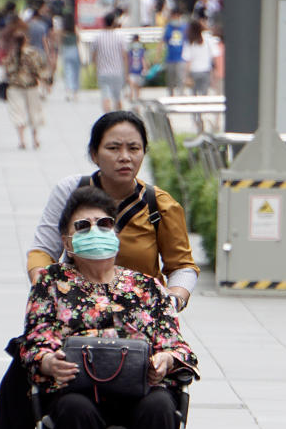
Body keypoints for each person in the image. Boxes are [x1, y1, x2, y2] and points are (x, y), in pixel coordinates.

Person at [20, 185, 198, 429]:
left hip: (138, 391)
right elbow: (33, 342)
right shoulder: (51, 285)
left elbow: (176, 344)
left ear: (116, 234)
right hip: (78, 392)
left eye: (104, 224)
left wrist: (164, 360)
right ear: (67, 242)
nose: (95, 231)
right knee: (72, 409)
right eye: (83, 226)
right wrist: (48, 361)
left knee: (161, 407)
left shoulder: (147, 287)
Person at [26, 111, 198, 311]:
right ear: (94, 154)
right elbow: (43, 251)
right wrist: (47, 289)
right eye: (113, 148)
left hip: (142, 315)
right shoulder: (70, 191)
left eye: (134, 148)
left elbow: (182, 266)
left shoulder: (159, 205)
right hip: (76, 311)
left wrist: (174, 299)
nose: (125, 157)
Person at [1, 29, 46, 150]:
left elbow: (6, 70)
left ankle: (21, 140)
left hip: (15, 86)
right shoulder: (32, 53)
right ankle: (35, 139)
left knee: (17, 112)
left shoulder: (11, 54)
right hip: (31, 85)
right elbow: (38, 68)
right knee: (34, 112)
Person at [91, 12, 127, 113]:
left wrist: (95, 68)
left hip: (103, 71)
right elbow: (125, 56)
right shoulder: (120, 37)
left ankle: (107, 118)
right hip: (117, 71)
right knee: (118, 97)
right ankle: (119, 118)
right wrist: (126, 72)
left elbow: (94, 56)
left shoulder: (98, 37)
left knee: (105, 97)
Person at [162, 8, 188, 96]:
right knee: (170, 79)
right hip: (170, 57)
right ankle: (171, 95)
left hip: (181, 57)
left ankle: (181, 95)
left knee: (180, 78)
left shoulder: (185, 27)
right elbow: (163, 40)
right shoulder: (168, 27)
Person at [58, 14, 81, 102]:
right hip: (75, 51)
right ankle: (75, 93)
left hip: (66, 51)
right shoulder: (75, 29)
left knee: (67, 72)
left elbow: (60, 42)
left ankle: (68, 92)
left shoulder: (62, 31)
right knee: (76, 73)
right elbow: (79, 40)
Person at [126, 34, 146, 102]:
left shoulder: (141, 50)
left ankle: (137, 97)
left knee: (137, 84)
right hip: (132, 69)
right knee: (132, 84)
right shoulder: (130, 50)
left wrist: (144, 68)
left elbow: (143, 59)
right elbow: (128, 60)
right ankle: (132, 96)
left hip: (139, 69)